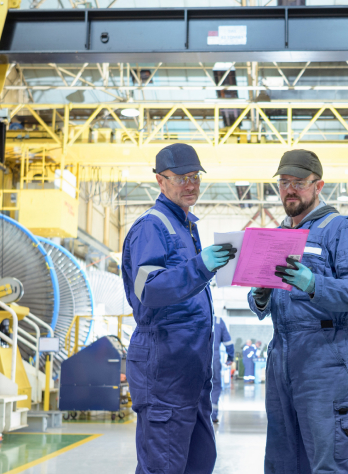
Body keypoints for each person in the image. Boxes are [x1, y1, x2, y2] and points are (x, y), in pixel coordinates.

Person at [248, 149, 348, 474]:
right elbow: (263, 302)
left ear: (318, 186)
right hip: (281, 358)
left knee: (330, 462)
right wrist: (260, 295)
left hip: (325, 360)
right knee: (282, 463)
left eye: (299, 183)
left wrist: (313, 284)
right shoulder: (276, 236)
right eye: (284, 182)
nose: (290, 190)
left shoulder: (340, 228)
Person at [122, 143, 238, 474]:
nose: (190, 185)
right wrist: (200, 266)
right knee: (165, 465)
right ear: (161, 181)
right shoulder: (152, 226)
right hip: (164, 371)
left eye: (195, 177)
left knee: (199, 462)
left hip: (191, 373)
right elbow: (148, 288)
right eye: (181, 178)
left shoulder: (186, 227)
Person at [211, 315, 233, 424]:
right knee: (214, 386)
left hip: (195, 358)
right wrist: (230, 357)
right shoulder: (218, 321)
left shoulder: (192, 316)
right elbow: (228, 341)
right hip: (213, 357)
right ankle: (212, 415)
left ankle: (195, 416)